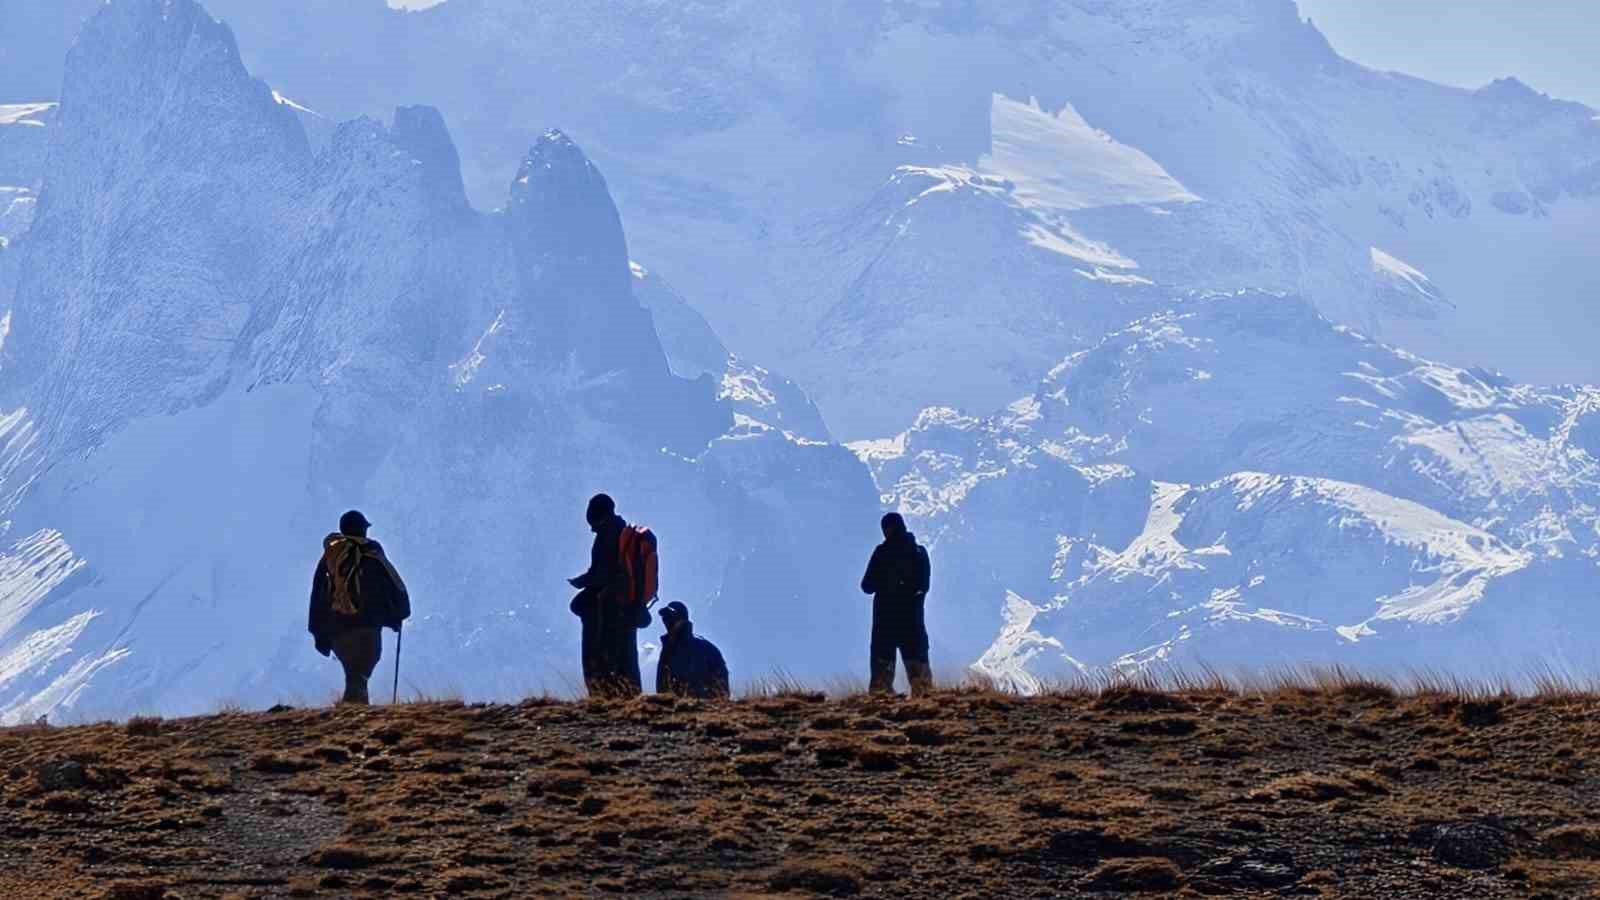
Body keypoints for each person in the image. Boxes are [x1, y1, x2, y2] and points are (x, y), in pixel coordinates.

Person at [308, 510, 411, 705]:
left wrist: (319, 632)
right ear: (362, 529)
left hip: (337, 628)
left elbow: (318, 595)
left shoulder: (330, 558)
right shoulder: (371, 554)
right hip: (367, 626)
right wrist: (399, 613)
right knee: (360, 674)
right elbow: (393, 585)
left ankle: (352, 713)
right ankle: (354, 716)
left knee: (353, 674)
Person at [568, 493, 643, 697]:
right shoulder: (624, 532)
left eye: (593, 522)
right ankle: (630, 697)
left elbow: (601, 573)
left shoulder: (607, 535)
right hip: (626, 607)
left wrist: (581, 582)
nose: (592, 528)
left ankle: (604, 696)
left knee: (603, 655)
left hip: (608, 608)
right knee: (626, 656)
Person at [860, 512, 933, 696]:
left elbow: (866, 586)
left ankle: (879, 716)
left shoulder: (882, 552)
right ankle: (927, 712)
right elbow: (924, 586)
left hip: (885, 623)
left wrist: (886, 584)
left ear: (887, 529)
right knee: (921, 681)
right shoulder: (919, 552)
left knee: (881, 683)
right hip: (913, 622)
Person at [655, 601, 730, 699]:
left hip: (705, 709)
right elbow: (661, 687)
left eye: (669, 616)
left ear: (681, 619)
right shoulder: (667, 650)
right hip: (675, 711)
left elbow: (722, 689)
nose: (666, 620)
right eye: (665, 618)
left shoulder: (705, 649)